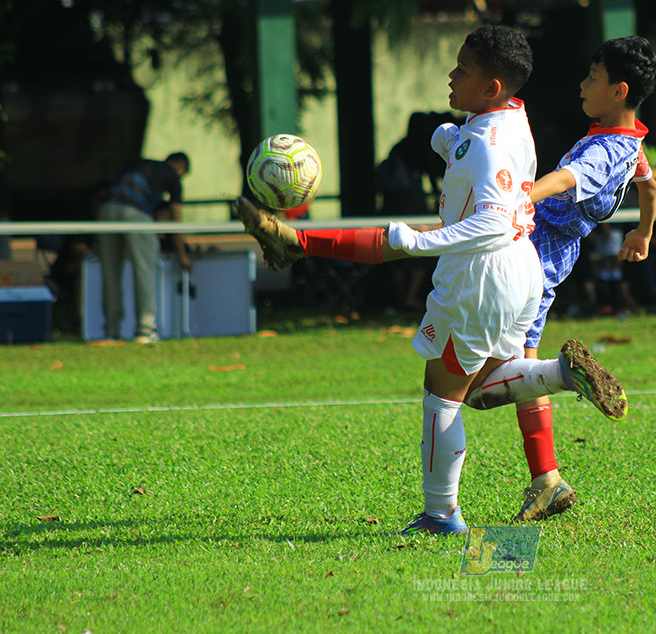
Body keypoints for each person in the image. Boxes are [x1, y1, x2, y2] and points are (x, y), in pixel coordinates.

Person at [235, 26, 627, 534]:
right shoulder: (511, 116)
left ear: (491, 87)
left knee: (442, 394)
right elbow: (491, 164)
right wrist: (450, 141)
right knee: (481, 390)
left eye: (462, 68)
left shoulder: (487, 143)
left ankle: (441, 515)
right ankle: (561, 376)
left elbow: (490, 219)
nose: (451, 74)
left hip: (483, 276)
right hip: (519, 270)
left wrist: (424, 241)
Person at [461, 36, 656, 522]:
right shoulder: (630, 141)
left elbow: (568, 177)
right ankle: (546, 480)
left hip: (538, 251)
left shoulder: (606, 149)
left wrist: (520, 197)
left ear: (619, 90)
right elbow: (650, 186)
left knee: (487, 385)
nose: (582, 84)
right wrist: (642, 232)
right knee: (515, 369)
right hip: (548, 251)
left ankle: (563, 384)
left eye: (592, 78)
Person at [96, 152, 190, 343]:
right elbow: (176, 220)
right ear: (181, 168)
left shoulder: (137, 163)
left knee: (110, 273)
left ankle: (111, 331)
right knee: (144, 270)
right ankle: (145, 328)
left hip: (106, 211)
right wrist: (183, 255)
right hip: (135, 212)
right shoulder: (172, 175)